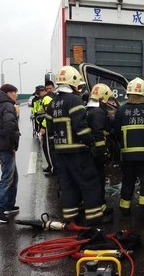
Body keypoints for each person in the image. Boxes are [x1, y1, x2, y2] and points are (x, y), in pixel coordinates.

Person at [45, 66, 105, 224]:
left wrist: (54, 153)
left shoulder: (52, 104)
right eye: (78, 85)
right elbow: (81, 128)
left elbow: (50, 134)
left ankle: (71, 218)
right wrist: (91, 143)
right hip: (78, 153)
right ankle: (94, 219)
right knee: (90, 183)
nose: (80, 88)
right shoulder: (74, 101)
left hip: (60, 154)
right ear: (72, 83)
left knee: (68, 186)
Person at [114, 77, 144, 217]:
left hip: (127, 155)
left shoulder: (121, 111)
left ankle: (124, 208)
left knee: (128, 180)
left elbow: (116, 132)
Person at [0, 83, 21, 223]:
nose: (16, 95)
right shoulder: (8, 106)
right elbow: (10, 127)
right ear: (8, 93)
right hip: (5, 147)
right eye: (15, 92)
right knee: (7, 178)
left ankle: (8, 205)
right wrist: (12, 146)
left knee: (13, 176)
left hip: (0, 146)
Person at [86, 83, 114, 207]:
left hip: (89, 152)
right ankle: (99, 206)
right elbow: (98, 133)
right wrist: (103, 151)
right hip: (96, 153)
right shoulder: (98, 112)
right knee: (98, 180)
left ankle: (97, 204)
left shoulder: (88, 110)